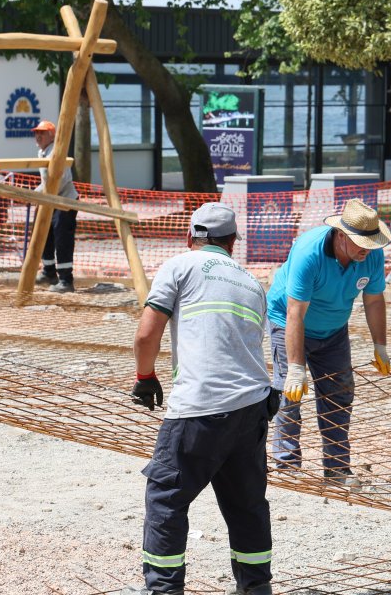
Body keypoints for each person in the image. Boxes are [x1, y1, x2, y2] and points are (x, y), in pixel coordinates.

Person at [123, 202, 277, 595]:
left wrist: (145, 378)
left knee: (166, 498)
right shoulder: (251, 281)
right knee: (246, 504)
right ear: (232, 243)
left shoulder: (179, 265)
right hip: (253, 406)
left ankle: (164, 589)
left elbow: (146, 335)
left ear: (190, 237)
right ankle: (256, 588)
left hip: (201, 406)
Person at [267, 198, 391, 487]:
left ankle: (336, 469)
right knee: (290, 392)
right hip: (289, 321)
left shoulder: (370, 254)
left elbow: (373, 300)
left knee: (339, 393)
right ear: (340, 235)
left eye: (370, 243)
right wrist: (297, 368)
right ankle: (287, 466)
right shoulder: (308, 253)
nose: (366, 250)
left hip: (333, 328)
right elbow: (295, 312)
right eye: (360, 243)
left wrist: (380, 346)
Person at [31, 119, 79, 293]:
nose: (37, 136)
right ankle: (49, 272)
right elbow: (46, 181)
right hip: (51, 201)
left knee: (62, 241)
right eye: (36, 133)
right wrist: (34, 193)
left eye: (41, 133)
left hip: (64, 202)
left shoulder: (57, 153)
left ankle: (66, 280)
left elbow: (62, 179)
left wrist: (41, 193)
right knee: (46, 236)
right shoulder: (42, 153)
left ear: (51, 135)